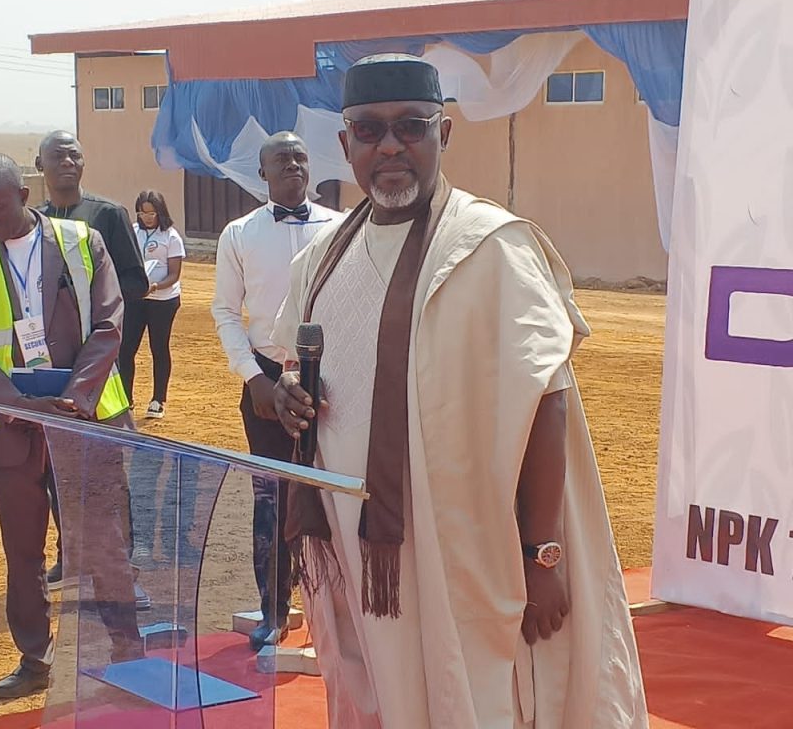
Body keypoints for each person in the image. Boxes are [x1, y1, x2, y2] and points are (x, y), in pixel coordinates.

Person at [272, 54, 647, 728]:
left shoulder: (491, 247)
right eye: (371, 130)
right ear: (347, 144)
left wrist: (543, 556)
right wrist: (288, 397)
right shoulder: (320, 262)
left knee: (480, 695)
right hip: (364, 551)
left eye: (411, 126)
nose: (391, 145)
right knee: (385, 692)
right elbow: (302, 374)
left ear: (442, 134)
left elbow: (547, 400)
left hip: (472, 551)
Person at [0, 153, 140, 698]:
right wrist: (21, 406)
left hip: (86, 421)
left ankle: (126, 656)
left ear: (23, 196)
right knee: (23, 549)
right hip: (10, 429)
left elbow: (109, 325)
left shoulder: (82, 242)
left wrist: (74, 400)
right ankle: (36, 660)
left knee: (102, 542)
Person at [211, 131, 344, 650]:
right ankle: (274, 608)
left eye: (300, 156)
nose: (293, 164)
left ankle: (338, 611)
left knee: (334, 493)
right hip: (266, 380)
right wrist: (255, 379)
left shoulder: (340, 227)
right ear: (262, 172)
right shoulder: (239, 234)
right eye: (281, 159)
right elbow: (226, 312)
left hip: (332, 378)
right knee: (272, 497)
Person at [35, 129, 148, 590]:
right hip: (48, 374)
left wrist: (92, 302)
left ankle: (123, 564)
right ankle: (72, 555)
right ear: (39, 165)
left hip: (101, 371)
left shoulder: (107, 215)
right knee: (56, 472)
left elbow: (136, 284)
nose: (68, 161)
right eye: (58, 155)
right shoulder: (33, 223)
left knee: (108, 476)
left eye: (75, 155)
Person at [119, 190, 185, 419]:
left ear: (160, 212)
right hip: (135, 299)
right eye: (142, 213)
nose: (146, 217)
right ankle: (125, 400)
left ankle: (158, 400)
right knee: (126, 348)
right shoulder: (132, 232)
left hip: (163, 301)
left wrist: (155, 286)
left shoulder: (171, 237)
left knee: (158, 347)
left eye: (151, 213)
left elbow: (174, 274)